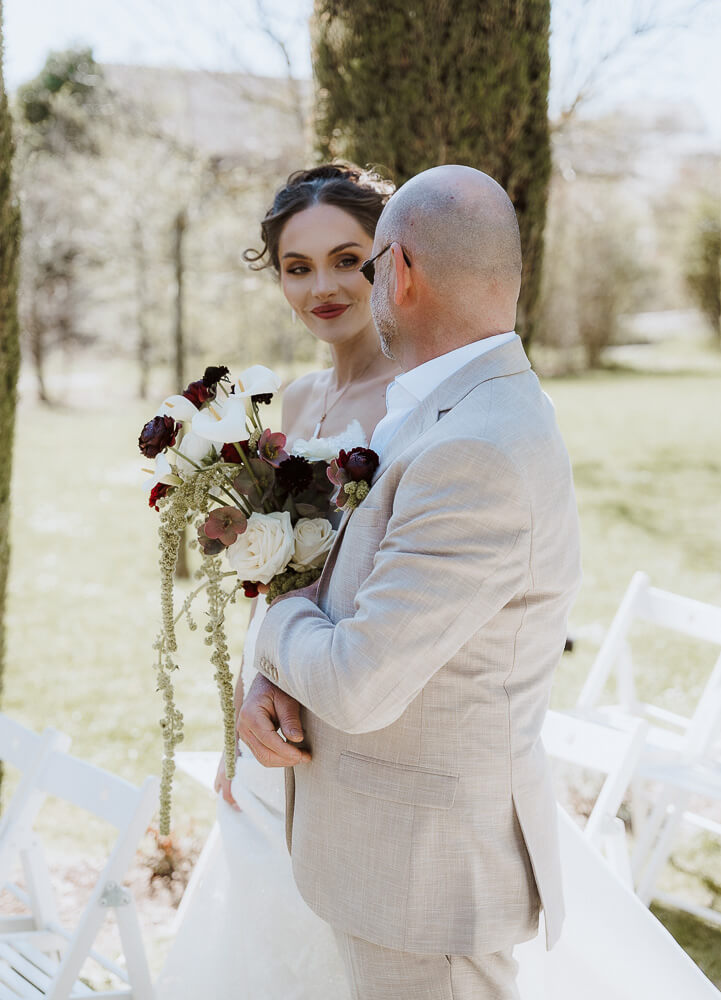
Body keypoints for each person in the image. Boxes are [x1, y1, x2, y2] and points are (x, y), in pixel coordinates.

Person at [240, 164, 582, 1000]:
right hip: (385, 858)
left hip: (425, 889)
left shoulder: (475, 448)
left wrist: (271, 616)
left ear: (396, 270)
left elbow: (357, 683)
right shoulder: (455, 411)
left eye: (359, 263)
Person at [156, 163, 400, 1000]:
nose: (322, 286)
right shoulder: (292, 404)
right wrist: (250, 701)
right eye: (298, 268)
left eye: (347, 258)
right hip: (282, 702)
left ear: (389, 259)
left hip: (370, 707)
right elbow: (278, 582)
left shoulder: (414, 400)